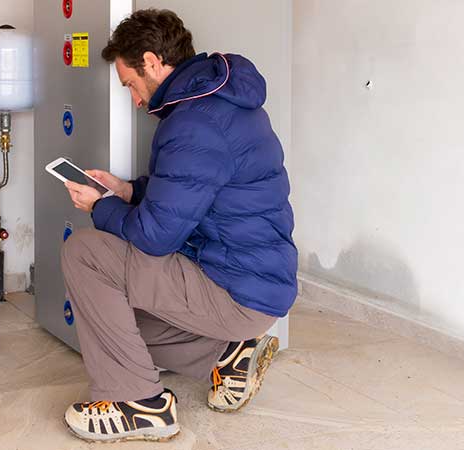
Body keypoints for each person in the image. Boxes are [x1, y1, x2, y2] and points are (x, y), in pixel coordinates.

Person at [60, 9, 298, 443]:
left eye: (130, 84)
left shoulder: (194, 123)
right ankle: (225, 356)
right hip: (252, 281)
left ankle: (138, 405)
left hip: (236, 290)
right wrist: (126, 190)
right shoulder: (217, 103)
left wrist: (100, 207)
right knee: (113, 326)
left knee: (86, 253)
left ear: (152, 62)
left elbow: (155, 237)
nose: (135, 100)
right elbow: (191, 193)